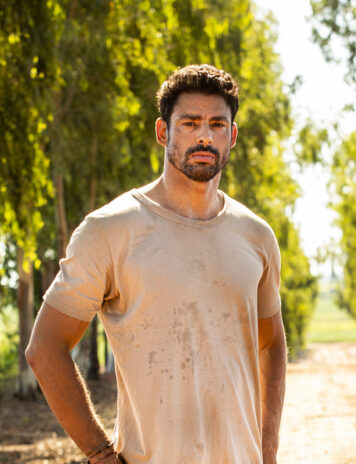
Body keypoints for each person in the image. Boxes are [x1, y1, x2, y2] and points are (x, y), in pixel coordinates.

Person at [26, 64, 287, 464]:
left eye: (218, 124)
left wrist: (267, 449)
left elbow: (272, 343)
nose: (204, 135)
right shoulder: (110, 230)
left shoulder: (256, 236)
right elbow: (45, 348)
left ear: (232, 136)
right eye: (189, 123)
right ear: (163, 132)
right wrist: (99, 453)